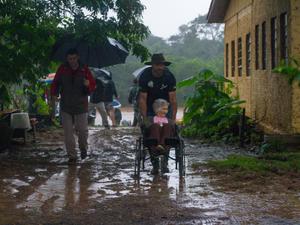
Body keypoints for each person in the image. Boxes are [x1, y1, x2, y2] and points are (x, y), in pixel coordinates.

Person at [50, 48, 96, 163]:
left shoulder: (84, 69)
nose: (72, 61)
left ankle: (83, 148)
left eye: (74, 58)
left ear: (78, 57)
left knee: (82, 131)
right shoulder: (62, 69)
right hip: (66, 105)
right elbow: (55, 83)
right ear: (67, 58)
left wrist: (88, 85)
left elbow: (92, 88)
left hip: (81, 105)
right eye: (70, 59)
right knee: (68, 132)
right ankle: (72, 156)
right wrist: (54, 94)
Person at [139, 53, 177, 174]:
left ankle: (164, 160)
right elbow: (142, 99)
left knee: (169, 127)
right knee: (151, 127)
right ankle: (155, 162)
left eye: (162, 65)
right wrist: (145, 118)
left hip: (166, 107)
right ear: (152, 65)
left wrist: (173, 118)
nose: (160, 67)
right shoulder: (145, 76)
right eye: (157, 65)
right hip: (151, 107)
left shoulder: (169, 77)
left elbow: (173, 100)